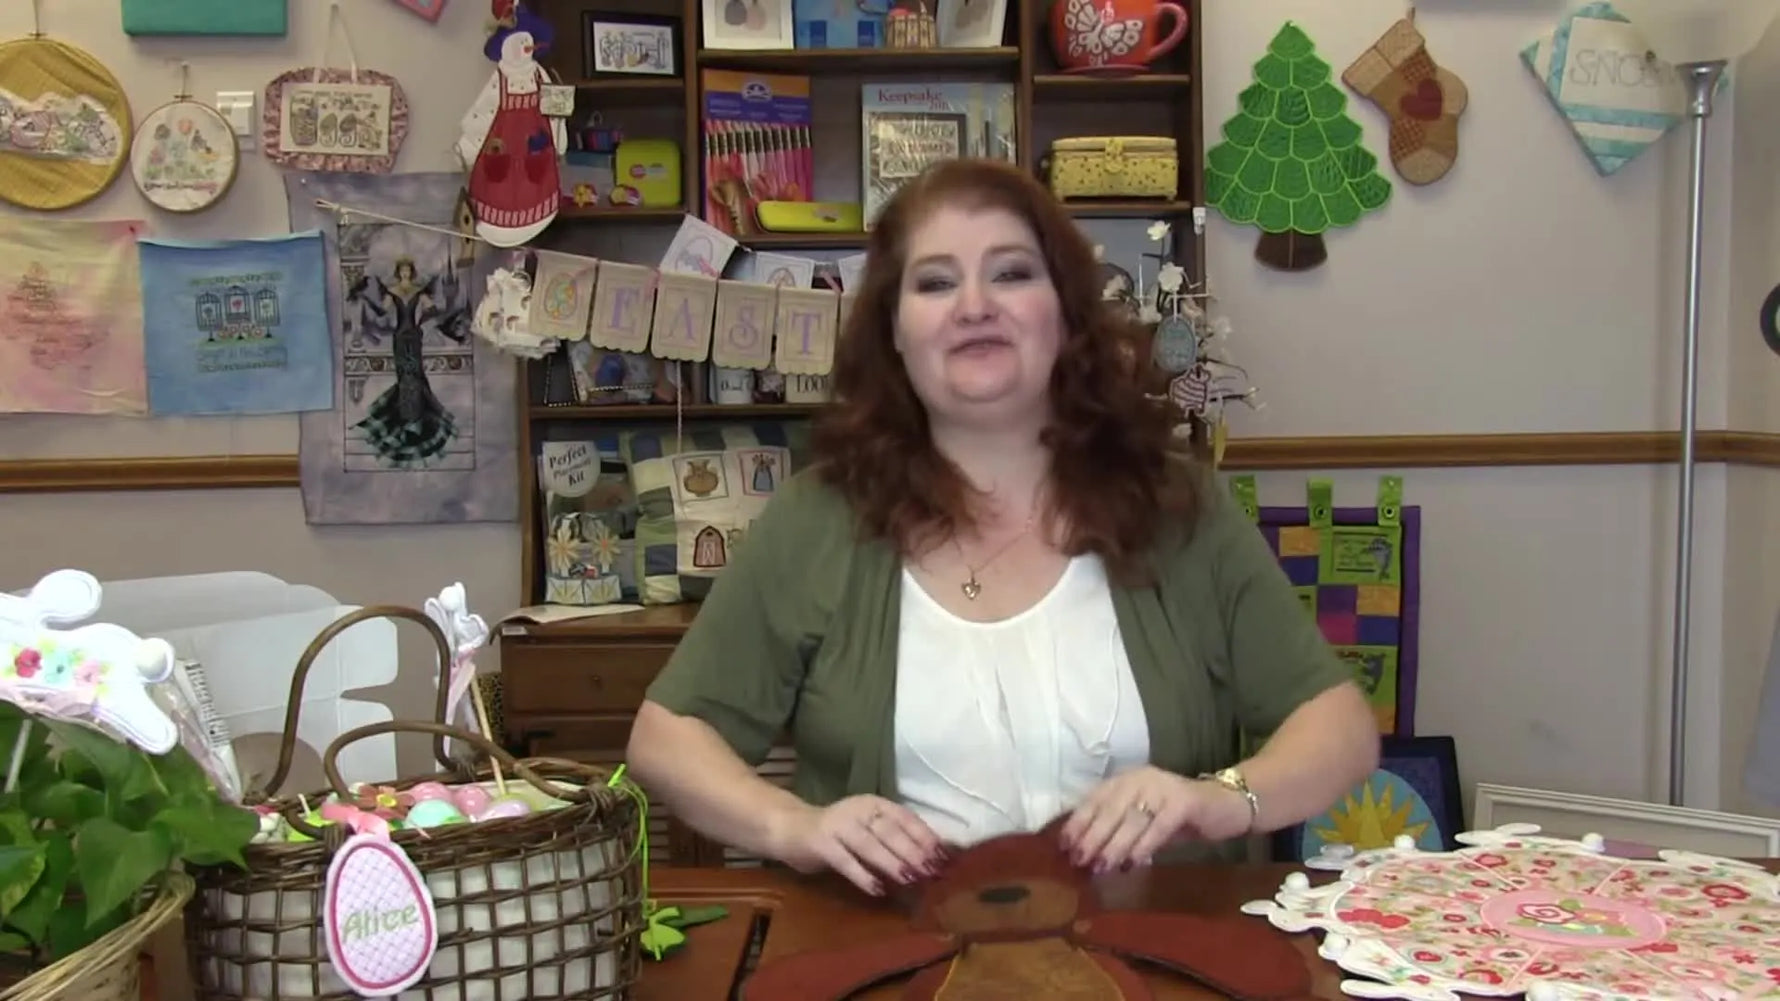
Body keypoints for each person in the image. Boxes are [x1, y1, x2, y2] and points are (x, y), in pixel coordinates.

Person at [625, 158, 1379, 897]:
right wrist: (793, 827)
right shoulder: (817, 517)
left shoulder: (1178, 507)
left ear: (1065, 312)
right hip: (892, 968)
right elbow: (665, 739)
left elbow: (1340, 728)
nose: (975, 305)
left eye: (1012, 273)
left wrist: (1220, 799)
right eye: (936, 282)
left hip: (1154, 966)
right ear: (892, 328)